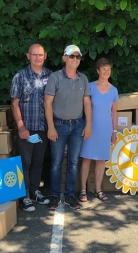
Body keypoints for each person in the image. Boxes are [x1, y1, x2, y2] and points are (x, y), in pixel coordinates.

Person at [44, 45, 92, 210]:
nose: (75, 60)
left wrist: (88, 124)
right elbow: (48, 102)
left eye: (78, 57)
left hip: (78, 125)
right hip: (59, 125)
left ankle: (71, 195)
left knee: (73, 162)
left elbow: (87, 102)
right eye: (72, 56)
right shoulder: (55, 77)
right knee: (56, 163)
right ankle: (55, 196)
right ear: (64, 58)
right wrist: (51, 127)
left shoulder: (83, 78)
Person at [10, 43, 52, 212]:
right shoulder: (20, 76)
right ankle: (24, 196)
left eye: (40, 55)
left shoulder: (50, 75)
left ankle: (35, 191)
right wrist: (21, 127)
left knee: (38, 162)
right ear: (28, 56)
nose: (37, 58)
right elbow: (14, 103)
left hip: (43, 127)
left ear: (45, 56)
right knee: (24, 163)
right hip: (26, 129)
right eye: (34, 55)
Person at [79, 58, 119, 202]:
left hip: (105, 129)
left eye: (109, 69)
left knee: (101, 160)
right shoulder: (89, 87)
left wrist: (115, 131)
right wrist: (85, 126)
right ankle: (83, 190)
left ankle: (98, 190)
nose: (106, 72)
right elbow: (84, 108)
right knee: (86, 159)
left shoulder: (114, 90)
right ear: (97, 71)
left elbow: (114, 113)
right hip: (90, 127)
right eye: (104, 69)